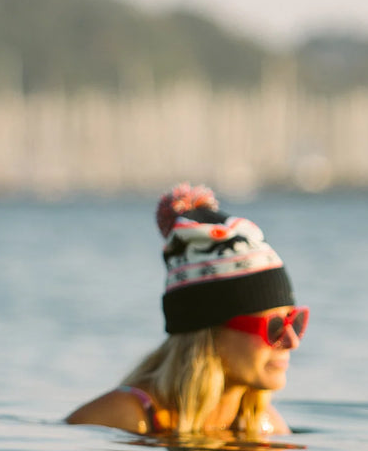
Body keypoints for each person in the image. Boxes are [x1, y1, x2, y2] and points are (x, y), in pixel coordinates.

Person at [66, 183, 308, 438]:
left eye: (297, 321)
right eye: (274, 326)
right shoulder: (121, 419)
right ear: (209, 330)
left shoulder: (264, 426)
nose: (292, 342)